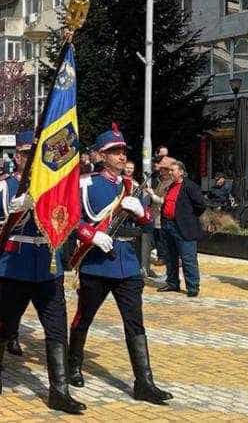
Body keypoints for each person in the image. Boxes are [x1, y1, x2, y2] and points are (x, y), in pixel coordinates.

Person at [0, 130, 85, 414]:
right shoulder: (3, 187)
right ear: (18, 157)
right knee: (5, 322)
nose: (30, 161)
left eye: (35, 156)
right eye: (26, 154)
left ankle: (59, 391)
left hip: (49, 266)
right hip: (15, 265)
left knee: (56, 331)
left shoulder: (55, 187)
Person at [67, 124, 172, 405]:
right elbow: (69, 219)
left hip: (126, 262)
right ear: (101, 155)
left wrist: (141, 213)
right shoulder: (85, 184)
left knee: (135, 323)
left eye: (122, 151)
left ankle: (144, 383)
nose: (120, 156)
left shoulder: (134, 187)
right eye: (114, 151)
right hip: (97, 262)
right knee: (84, 317)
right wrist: (92, 234)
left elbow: (149, 223)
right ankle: (73, 364)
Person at [157, 158, 206, 297]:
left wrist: (188, 218)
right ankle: (172, 283)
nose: (170, 173)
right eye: (170, 170)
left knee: (188, 258)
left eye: (173, 170)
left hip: (184, 228)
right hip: (168, 225)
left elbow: (201, 205)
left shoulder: (190, 186)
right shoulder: (170, 186)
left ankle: (192, 287)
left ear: (181, 172)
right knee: (170, 257)